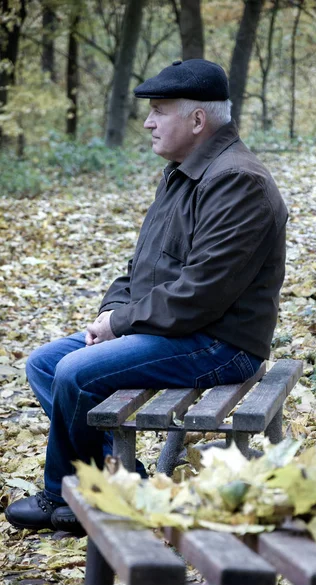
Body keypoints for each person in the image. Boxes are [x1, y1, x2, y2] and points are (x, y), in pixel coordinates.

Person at [5, 59, 288, 532]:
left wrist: (119, 325)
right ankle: (124, 483)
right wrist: (113, 312)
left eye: (159, 110)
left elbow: (202, 294)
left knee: (74, 371)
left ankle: (68, 497)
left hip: (220, 343)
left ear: (198, 120)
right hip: (175, 328)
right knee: (44, 363)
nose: (148, 121)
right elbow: (139, 269)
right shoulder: (181, 173)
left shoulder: (238, 181)